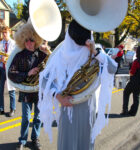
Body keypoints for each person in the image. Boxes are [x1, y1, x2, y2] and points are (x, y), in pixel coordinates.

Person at [38, 20, 117, 150]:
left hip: (88, 106)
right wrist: (58, 96)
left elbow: (113, 68)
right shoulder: (60, 54)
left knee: (85, 144)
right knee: (68, 145)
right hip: (68, 107)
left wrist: (96, 52)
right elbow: (45, 80)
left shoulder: (94, 53)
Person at [8, 22, 49, 150]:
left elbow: (53, 67)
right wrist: (27, 73)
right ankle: (22, 140)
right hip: (26, 92)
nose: (29, 43)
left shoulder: (42, 54)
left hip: (39, 92)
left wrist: (48, 51)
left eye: (31, 40)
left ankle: (35, 139)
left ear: (35, 40)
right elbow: (11, 73)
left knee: (37, 117)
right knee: (25, 118)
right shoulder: (19, 56)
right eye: (26, 40)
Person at [120, 46, 140, 116]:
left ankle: (125, 110)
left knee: (126, 92)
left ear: (138, 52)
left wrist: (130, 70)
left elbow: (132, 72)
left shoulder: (136, 61)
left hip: (134, 80)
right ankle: (133, 112)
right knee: (136, 96)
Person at [0, 26, 16, 116]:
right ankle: (1, 108)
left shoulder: (14, 44)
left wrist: (8, 59)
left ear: (10, 33)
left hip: (10, 69)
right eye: (3, 33)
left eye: (6, 32)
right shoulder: (0, 43)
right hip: (1, 68)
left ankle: (12, 109)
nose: (4, 34)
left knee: (11, 89)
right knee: (0, 90)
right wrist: (1, 60)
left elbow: (16, 57)